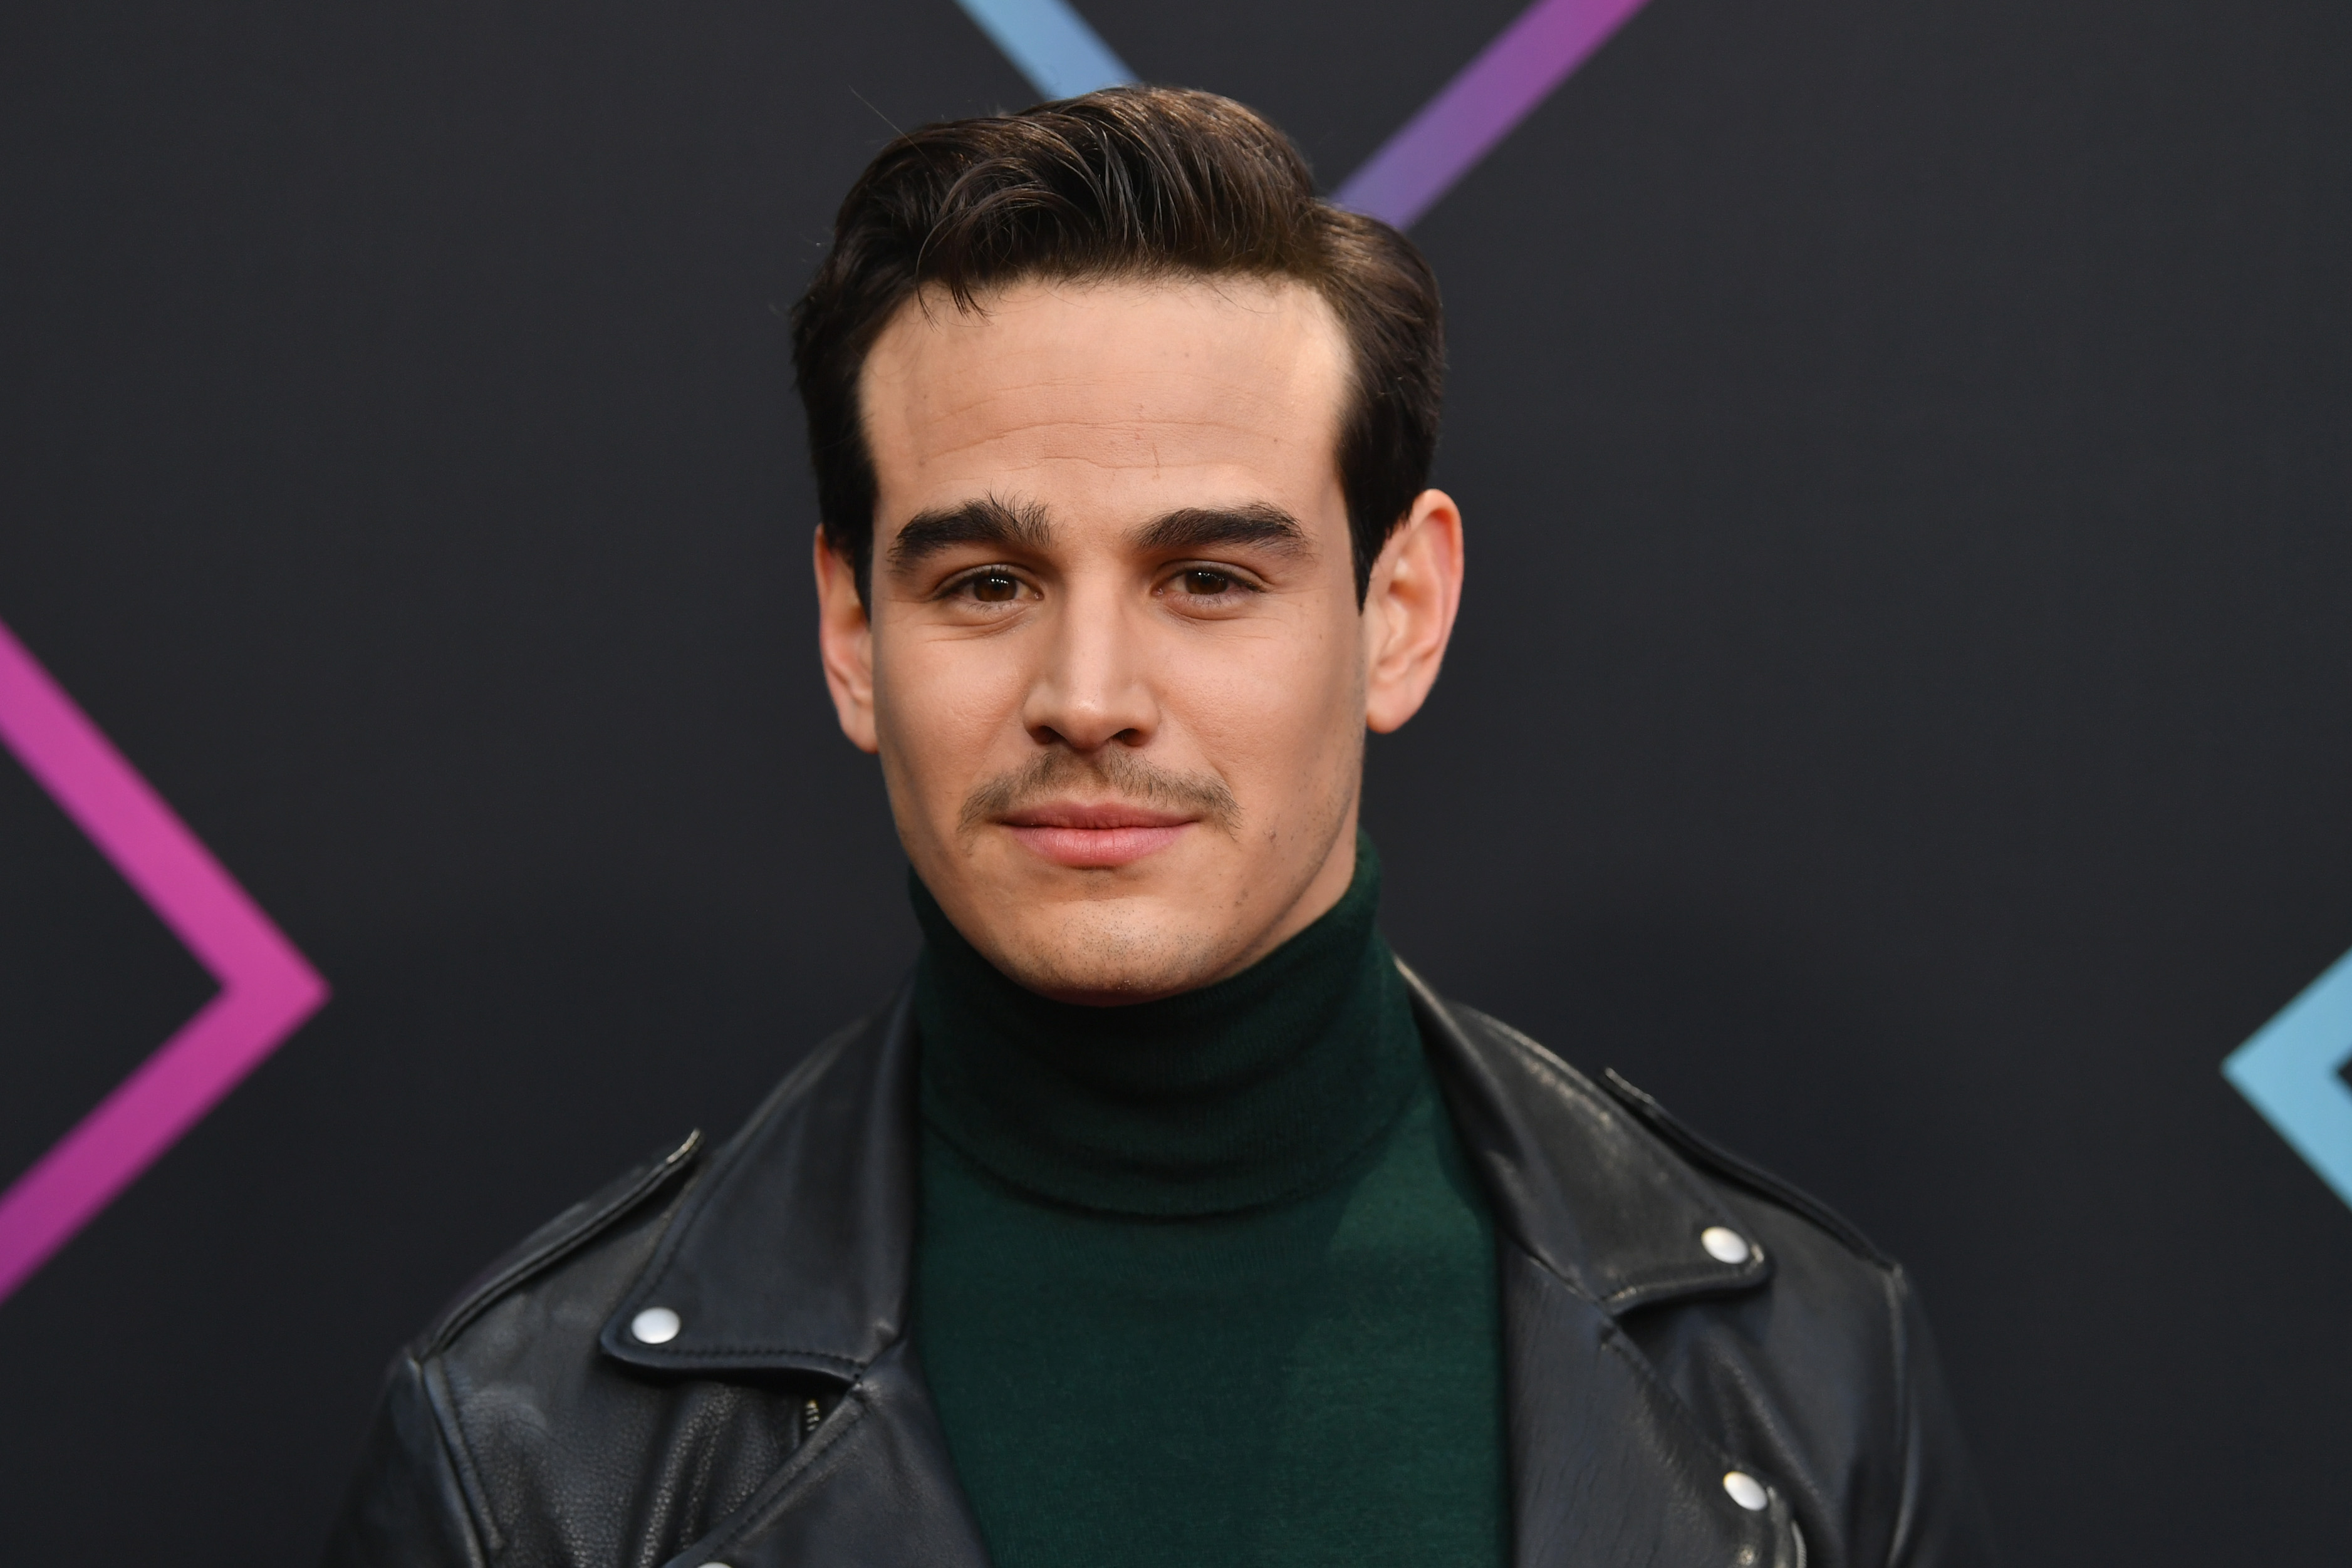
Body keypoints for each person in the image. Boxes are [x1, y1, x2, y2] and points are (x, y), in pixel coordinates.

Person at [323, 86, 1995, 1567]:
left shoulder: (1802, 1367)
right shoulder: (528, 1447)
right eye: (985, 583)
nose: (1089, 694)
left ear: (1396, 614)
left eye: (1206, 580)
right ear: (852, 637)